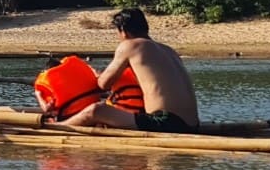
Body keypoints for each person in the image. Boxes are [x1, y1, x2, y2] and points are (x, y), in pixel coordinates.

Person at [50, 8, 200, 132]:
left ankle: (57, 128)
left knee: (97, 110)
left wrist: (97, 74)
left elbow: (103, 84)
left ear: (123, 31)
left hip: (165, 122)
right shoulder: (168, 50)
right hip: (193, 124)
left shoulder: (130, 45)